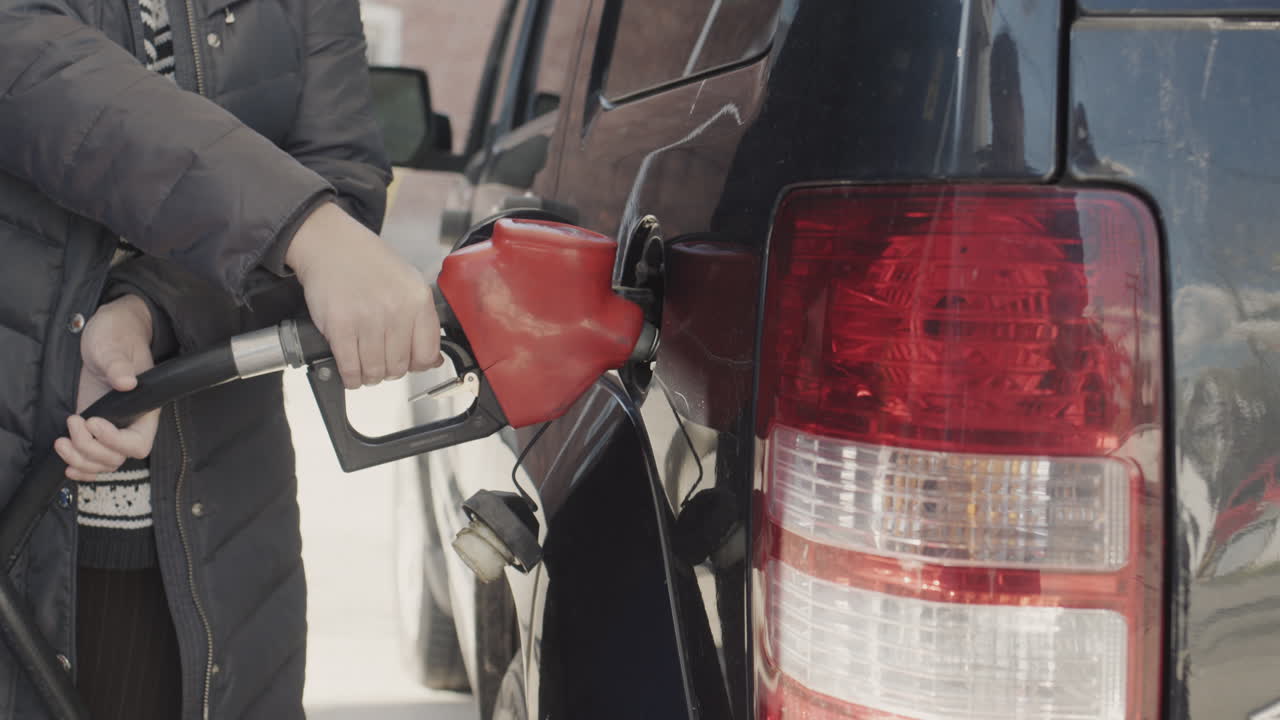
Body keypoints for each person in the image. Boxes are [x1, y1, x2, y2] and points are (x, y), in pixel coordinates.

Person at [0, 0, 439, 717]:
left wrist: (149, 314)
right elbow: (48, 77)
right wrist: (306, 227)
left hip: (210, 524)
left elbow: (341, 182)